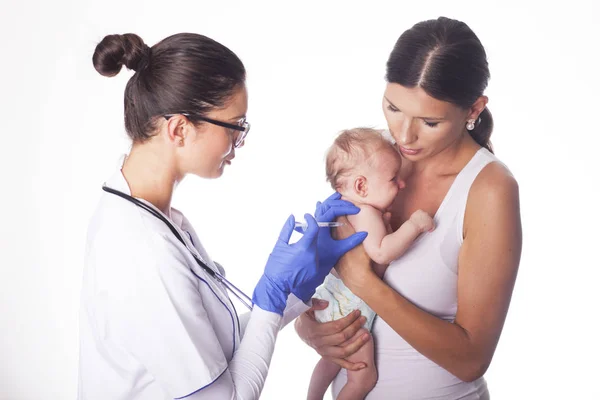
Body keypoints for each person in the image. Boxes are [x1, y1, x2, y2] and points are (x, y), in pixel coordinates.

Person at [77, 32, 368, 400]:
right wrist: (272, 294)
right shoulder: (140, 246)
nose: (239, 143)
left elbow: (213, 349)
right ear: (179, 129)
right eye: (235, 126)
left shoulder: (156, 218)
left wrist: (295, 288)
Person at [295, 17, 522, 399]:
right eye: (393, 108)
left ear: (473, 109)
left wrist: (364, 281)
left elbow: (470, 359)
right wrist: (311, 328)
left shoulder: (489, 190)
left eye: (429, 122)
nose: (403, 135)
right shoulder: (374, 156)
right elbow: (324, 274)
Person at [307, 128, 435, 400]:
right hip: (350, 311)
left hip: (330, 303)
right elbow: (381, 253)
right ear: (362, 187)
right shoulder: (366, 212)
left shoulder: (344, 207)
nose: (401, 185)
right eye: (393, 179)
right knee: (364, 376)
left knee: (331, 362)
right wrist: (413, 226)